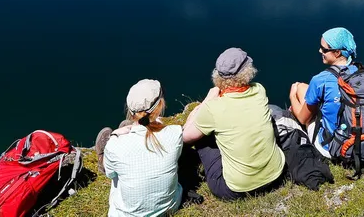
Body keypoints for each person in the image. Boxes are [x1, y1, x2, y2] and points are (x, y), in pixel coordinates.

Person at [180, 48, 286, 201]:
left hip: (236, 190)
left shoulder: (213, 108)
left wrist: (206, 101)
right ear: (247, 71)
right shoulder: (259, 90)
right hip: (276, 175)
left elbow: (185, 137)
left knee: (201, 138)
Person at [97, 79, 201, 217]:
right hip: (169, 207)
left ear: (130, 109)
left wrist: (115, 135)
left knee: (114, 170)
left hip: (126, 214)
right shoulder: (174, 134)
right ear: (160, 105)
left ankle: (103, 161)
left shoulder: (114, 145)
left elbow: (111, 175)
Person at [288, 27, 358, 158]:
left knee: (299, 88)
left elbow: (303, 119)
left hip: (333, 147)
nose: (320, 51)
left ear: (337, 52)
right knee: (304, 88)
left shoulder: (321, 80)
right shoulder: (363, 73)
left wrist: (292, 96)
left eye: (324, 49)